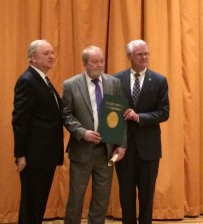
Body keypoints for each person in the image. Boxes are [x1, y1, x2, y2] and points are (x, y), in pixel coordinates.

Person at [62, 46, 127, 224]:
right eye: (95, 62)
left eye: (102, 61)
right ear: (84, 64)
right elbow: (66, 115)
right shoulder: (71, 85)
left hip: (106, 151)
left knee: (101, 199)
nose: (100, 65)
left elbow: (120, 116)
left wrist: (121, 145)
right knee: (76, 197)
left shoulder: (114, 83)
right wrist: (82, 132)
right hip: (82, 150)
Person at [114, 40, 170, 224]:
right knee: (126, 195)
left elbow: (164, 113)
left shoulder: (160, 80)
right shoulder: (116, 80)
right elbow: (111, 115)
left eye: (147, 53)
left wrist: (139, 117)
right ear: (129, 57)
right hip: (124, 148)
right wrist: (114, 144)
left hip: (149, 148)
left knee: (147, 196)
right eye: (140, 54)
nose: (145, 57)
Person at [12, 39, 64, 224]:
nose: (51, 56)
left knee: (38, 204)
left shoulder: (43, 79)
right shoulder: (28, 81)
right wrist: (20, 154)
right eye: (46, 53)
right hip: (34, 156)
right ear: (32, 58)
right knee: (31, 205)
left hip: (45, 155)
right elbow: (19, 121)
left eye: (52, 52)